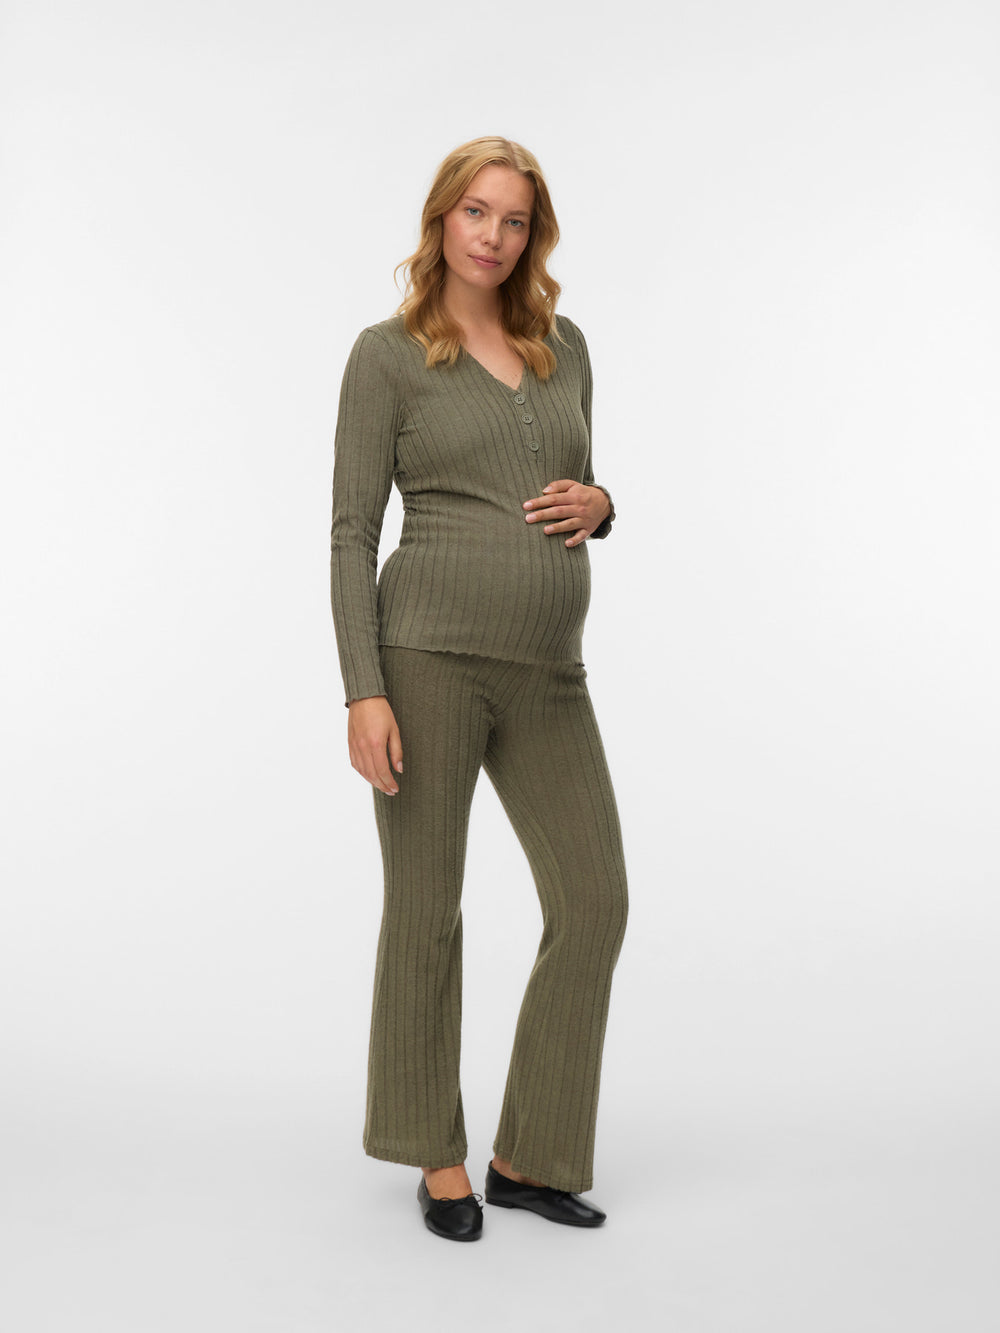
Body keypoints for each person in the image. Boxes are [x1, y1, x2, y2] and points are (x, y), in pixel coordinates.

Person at [329, 136, 628, 1242]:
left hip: (552, 670)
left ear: (531, 234)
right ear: (441, 218)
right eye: (475, 212)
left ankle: (530, 1157)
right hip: (428, 662)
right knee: (426, 910)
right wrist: (364, 688)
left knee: (594, 903)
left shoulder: (564, 346)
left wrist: (604, 504)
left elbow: (576, 481)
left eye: (514, 219)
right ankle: (438, 1156)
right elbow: (351, 531)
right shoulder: (388, 356)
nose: (493, 236)